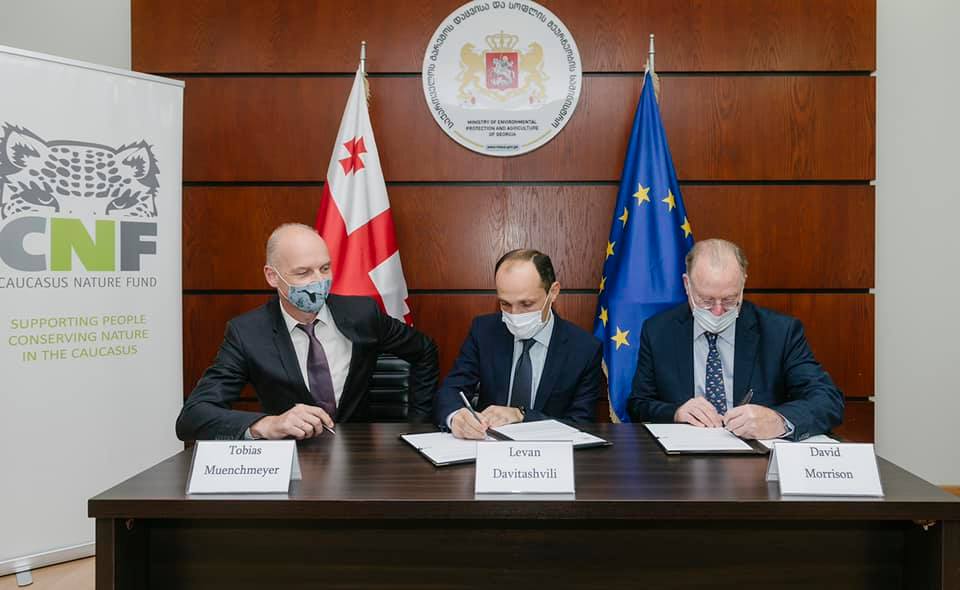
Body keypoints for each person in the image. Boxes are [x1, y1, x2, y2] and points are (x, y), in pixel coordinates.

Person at [175, 223, 438, 440]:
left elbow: (425, 351)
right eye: (303, 273)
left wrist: (417, 426)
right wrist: (266, 425)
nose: (318, 281)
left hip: (360, 459)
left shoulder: (363, 314)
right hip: (292, 461)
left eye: (325, 268)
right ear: (272, 276)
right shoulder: (248, 333)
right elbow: (193, 417)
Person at [627, 238, 843, 440]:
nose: (718, 311)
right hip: (682, 456)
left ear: (743, 284)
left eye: (729, 300)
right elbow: (639, 404)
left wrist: (779, 420)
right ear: (687, 285)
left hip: (756, 458)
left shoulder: (780, 332)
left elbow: (827, 400)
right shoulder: (659, 331)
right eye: (706, 300)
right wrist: (676, 412)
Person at [435, 249, 602, 440]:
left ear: (553, 292)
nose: (515, 314)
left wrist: (522, 415)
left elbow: (581, 423)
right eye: (505, 304)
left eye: (527, 304)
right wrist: (456, 416)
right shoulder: (484, 331)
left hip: (549, 450)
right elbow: (450, 391)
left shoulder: (584, 348)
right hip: (488, 446)